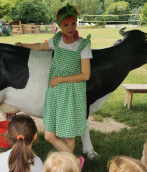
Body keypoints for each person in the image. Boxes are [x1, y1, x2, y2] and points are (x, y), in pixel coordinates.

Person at [15, 3, 92, 156]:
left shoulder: (83, 44)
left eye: (73, 23)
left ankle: (69, 165)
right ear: (59, 26)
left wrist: (61, 79)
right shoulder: (57, 40)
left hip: (71, 91)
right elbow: (40, 46)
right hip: (56, 90)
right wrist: (23, 44)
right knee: (50, 135)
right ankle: (74, 161)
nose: (71, 28)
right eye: (66, 24)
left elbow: (85, 75)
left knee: (68, 133)